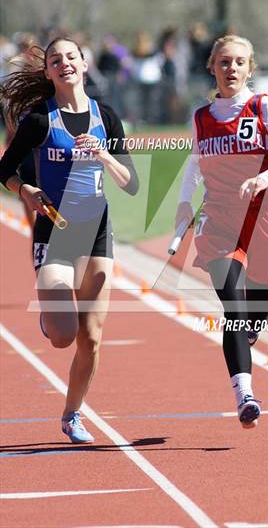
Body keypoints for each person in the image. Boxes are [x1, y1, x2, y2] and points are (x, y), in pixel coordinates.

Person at [0, 37, 139, 443]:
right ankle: (50, 317)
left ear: (84, 63)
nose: (64, 64)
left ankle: (72, 414)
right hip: (55, 230)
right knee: (63, 336)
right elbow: (5, 170)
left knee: (91, 337)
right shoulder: (40, 121)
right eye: (55, 60)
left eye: (71, 57)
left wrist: (106, 156)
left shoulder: (106, 117)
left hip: (95, 229)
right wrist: (25, 190)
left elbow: (130, 185)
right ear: (48, 72)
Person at [175, 35, 268, 429]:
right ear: (212, 66)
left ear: (251, 68)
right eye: (224, 62)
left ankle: (252, 327)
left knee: (254, 317)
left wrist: (264, 178)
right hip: (218, 220)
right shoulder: (201, 118)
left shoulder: (263, 106)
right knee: (233, 309)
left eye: (239, 62)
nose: (231, 68)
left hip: (264, 218)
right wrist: (184, 202)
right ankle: (245, 395)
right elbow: (194, 165)